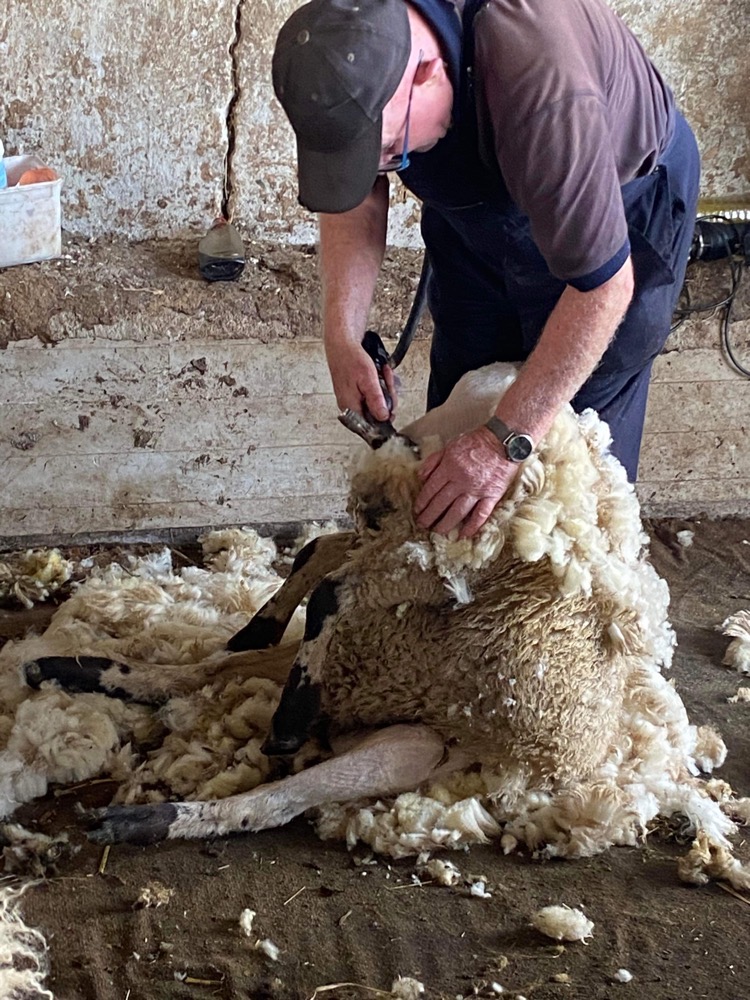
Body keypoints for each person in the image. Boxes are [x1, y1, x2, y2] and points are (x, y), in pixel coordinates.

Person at [271, 0, 700, 537]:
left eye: (386, 150)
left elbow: (603, 290)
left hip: (614, 205)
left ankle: (559, 613)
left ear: (426, 71)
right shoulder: (356, 33)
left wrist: (506, 439)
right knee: (457, 435)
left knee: (565, 466)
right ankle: (453, 604)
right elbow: (357, 191)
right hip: (476, 208)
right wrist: (341, 333)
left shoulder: (543, 79)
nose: (380, 165)